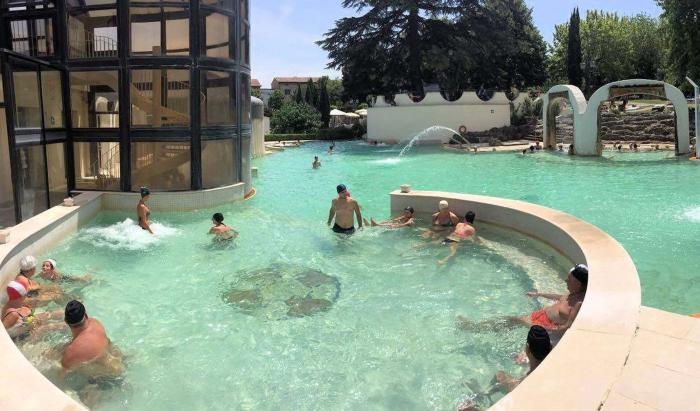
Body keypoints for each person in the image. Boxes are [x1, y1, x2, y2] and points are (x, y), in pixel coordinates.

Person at [457, 264, 587, 332]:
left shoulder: (579, 303)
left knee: (511, 319)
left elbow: (567, 327)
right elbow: (560, 297)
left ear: (578, 283)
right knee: (511, 323)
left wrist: (541, 328)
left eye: (569, 280)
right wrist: (539, 294)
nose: (565, 281)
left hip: (545, 325)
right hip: (540, 316)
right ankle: (478, 327)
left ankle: (475, 327)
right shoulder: (572, 293)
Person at [457, 326, 553, 410]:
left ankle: (483, 394)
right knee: (500, 375)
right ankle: (484, 392)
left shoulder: (523, 387)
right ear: (550, 347)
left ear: (527, 349)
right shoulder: (551, 366)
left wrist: (477, 409)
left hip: (521, 391)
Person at [61, 300, 125, 408]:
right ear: (86, 315)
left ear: (66, 321)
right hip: (119, 362)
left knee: (83, 404)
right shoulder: (96, 323)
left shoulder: (71, 352)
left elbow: (63, 374)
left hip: (105, 381)